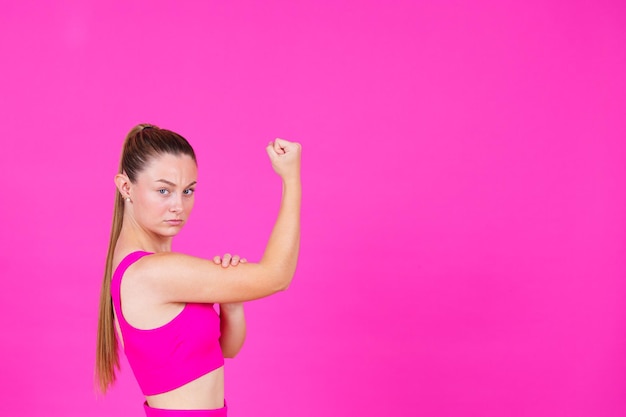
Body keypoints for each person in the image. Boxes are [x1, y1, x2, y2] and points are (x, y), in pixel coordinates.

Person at [95, 124, 301, 416]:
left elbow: (225, 350)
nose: (178, 205)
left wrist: (232, 302)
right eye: (163, 190)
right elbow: (278, 276)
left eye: (188, 190)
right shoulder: (151, 272)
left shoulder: (157, 268)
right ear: (126, 187)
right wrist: (291, 180)